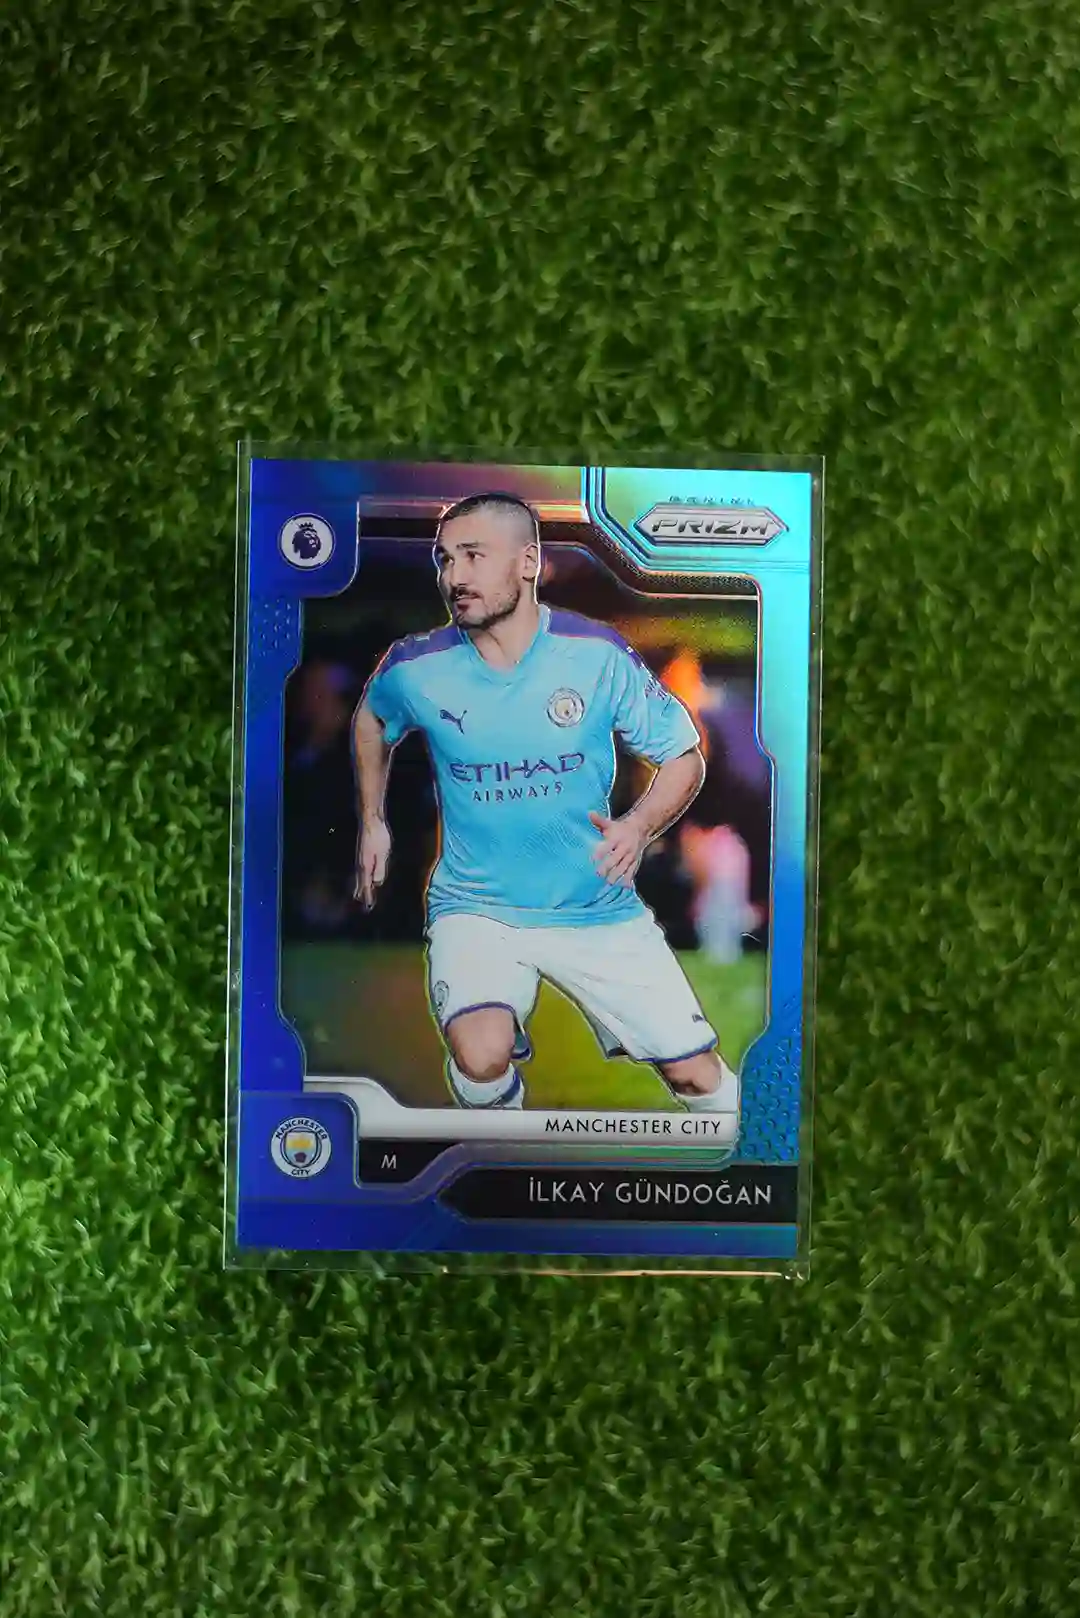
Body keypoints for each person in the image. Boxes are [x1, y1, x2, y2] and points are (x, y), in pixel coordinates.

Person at [351, 491, 739, 1128]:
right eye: (445, 559)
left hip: (593, 908)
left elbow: (683, 756)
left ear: (528, 562)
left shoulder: (597, 655)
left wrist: (639, 826)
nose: (454, 576)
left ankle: (759, 1159)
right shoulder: (416, 666)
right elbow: (371, 719)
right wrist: (372, 819)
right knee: (480, 1053)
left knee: (695, 1075)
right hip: (476, 907)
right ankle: (502, 1148)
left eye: (473, 556)